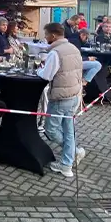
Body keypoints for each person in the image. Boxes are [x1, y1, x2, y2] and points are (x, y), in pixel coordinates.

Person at [37, 22, 87, 178]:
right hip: (74, 93)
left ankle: (72, 154)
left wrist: (38, 69)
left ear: (53, 35)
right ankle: (67, 163)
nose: (44, 38)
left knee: (50, 129)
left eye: (45, 35)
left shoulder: (55, 53)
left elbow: (47, 75)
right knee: (68, 130)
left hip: (60, 96)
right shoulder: (73, 48)